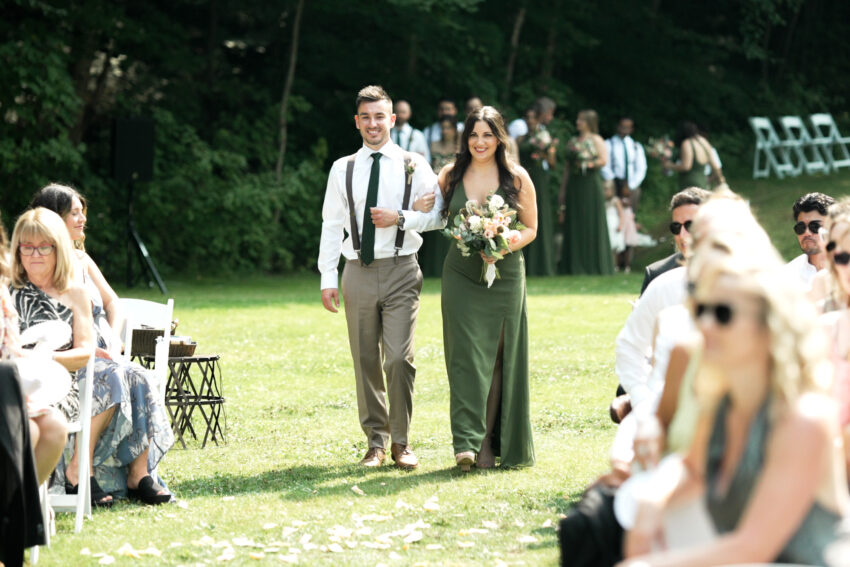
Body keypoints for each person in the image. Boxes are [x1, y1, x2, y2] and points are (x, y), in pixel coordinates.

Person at [619, 226, 850, 566]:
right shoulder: (721, 399)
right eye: (702, 311)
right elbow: (691, 467)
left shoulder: (804, 418)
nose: (706, 325)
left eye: (723, 314)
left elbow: (753, 547)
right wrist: (653, 497)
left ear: (766, 326)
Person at [10, 208, 174, 506]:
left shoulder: (75, 293)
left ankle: (113, 472)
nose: (35, 255)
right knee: (110, 373)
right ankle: (62, 479)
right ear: (17, 249)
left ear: (58, 247)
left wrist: (41, 359)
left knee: (125, 373)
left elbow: (84, 351)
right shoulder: (7, 289)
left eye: (43, 247)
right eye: (27, 247)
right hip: (14, 377)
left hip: (64, 378)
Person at [318, 85, 444, 469]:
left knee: (398, 359)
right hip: (356, 270)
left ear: (392, 119)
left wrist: (401, 217)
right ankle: (375, 442)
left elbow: (439, 215)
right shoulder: (344, 168)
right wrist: (327, 276)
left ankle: (401, 443)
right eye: (366, 117)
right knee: (365, 361)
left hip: (402, 269)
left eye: (380, 117)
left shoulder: (414, 163)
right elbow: (331, 224)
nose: (373, 124)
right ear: (357, 122)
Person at [438, 105, 537, 470]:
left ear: (499, 138)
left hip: (506, 275)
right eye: (474, 135)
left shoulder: (517, 178)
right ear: (466, 139)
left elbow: (531, 228)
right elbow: (433, 215)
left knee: (498, 357)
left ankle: (487, 445)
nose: (480, 142)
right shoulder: (450, 175)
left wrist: (500, 245)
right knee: (465, 355)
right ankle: (467, 443)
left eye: (487, 135)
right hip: (461, 274)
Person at [558, 109, 613, 275]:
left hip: (590, 184)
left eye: (581, 120)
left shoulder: (596, 140)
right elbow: (567, 168)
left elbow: (603, 160)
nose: (577, 122)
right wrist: (563, 189)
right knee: (575, 222)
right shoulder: (573, 141)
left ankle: (594, 264)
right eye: (578, 119)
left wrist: (588, 163)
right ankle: (573, 265)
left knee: (591, 221)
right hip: (575, 185)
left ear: (589, 122)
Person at [640, 188, 711, 295]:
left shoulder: (735, 272)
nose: (682, 235)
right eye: (676, 227)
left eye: (690, 225)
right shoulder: (657, 274)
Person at [518, 107, 557, 276]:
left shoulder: (544, 138)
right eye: (527, 117)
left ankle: (543, 265)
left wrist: (545, 151)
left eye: (533, 117)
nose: (530, 120)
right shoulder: (520, 138)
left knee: (539, 215)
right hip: (524, 176)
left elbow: (553, 163)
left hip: (539, 178)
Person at [419, 117, 459, 278]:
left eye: (448, 128)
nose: (445, 131)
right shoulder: (433, 145)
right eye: (442, 128)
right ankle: (432, 267)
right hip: (434, 187)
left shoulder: (459, 147)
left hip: (452, 188)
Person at [781, 192, 834, 291]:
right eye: (801, 227)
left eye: (815, 226)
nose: (806, 233)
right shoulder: (787, 275)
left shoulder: (845, 268)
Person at [601, 117, 647, 212]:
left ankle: (631, 221)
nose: (623, 129)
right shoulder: (608, 144)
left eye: (627, 127)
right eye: (622, 127)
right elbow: (604, 165)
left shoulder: (635, 146)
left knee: (633, 200)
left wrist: (631, 185)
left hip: (630, 182)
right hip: (613, 181)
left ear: (631, 129)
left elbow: (641, 168)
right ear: (618, 127)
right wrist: (613, 181)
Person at [662, 121, 724, 190]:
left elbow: (686, 166)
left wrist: (669, 165)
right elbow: (715, 166)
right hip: (703, 183)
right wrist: (720, 181)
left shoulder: (687, 143)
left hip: (689, 184)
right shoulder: (704, 142)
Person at [423, 97, 462, 161]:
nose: (445, 112)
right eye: (441, 109)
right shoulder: (428, 131)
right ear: (437, 111)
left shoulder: (463, 128)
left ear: (455, 110)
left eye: (448, 109)